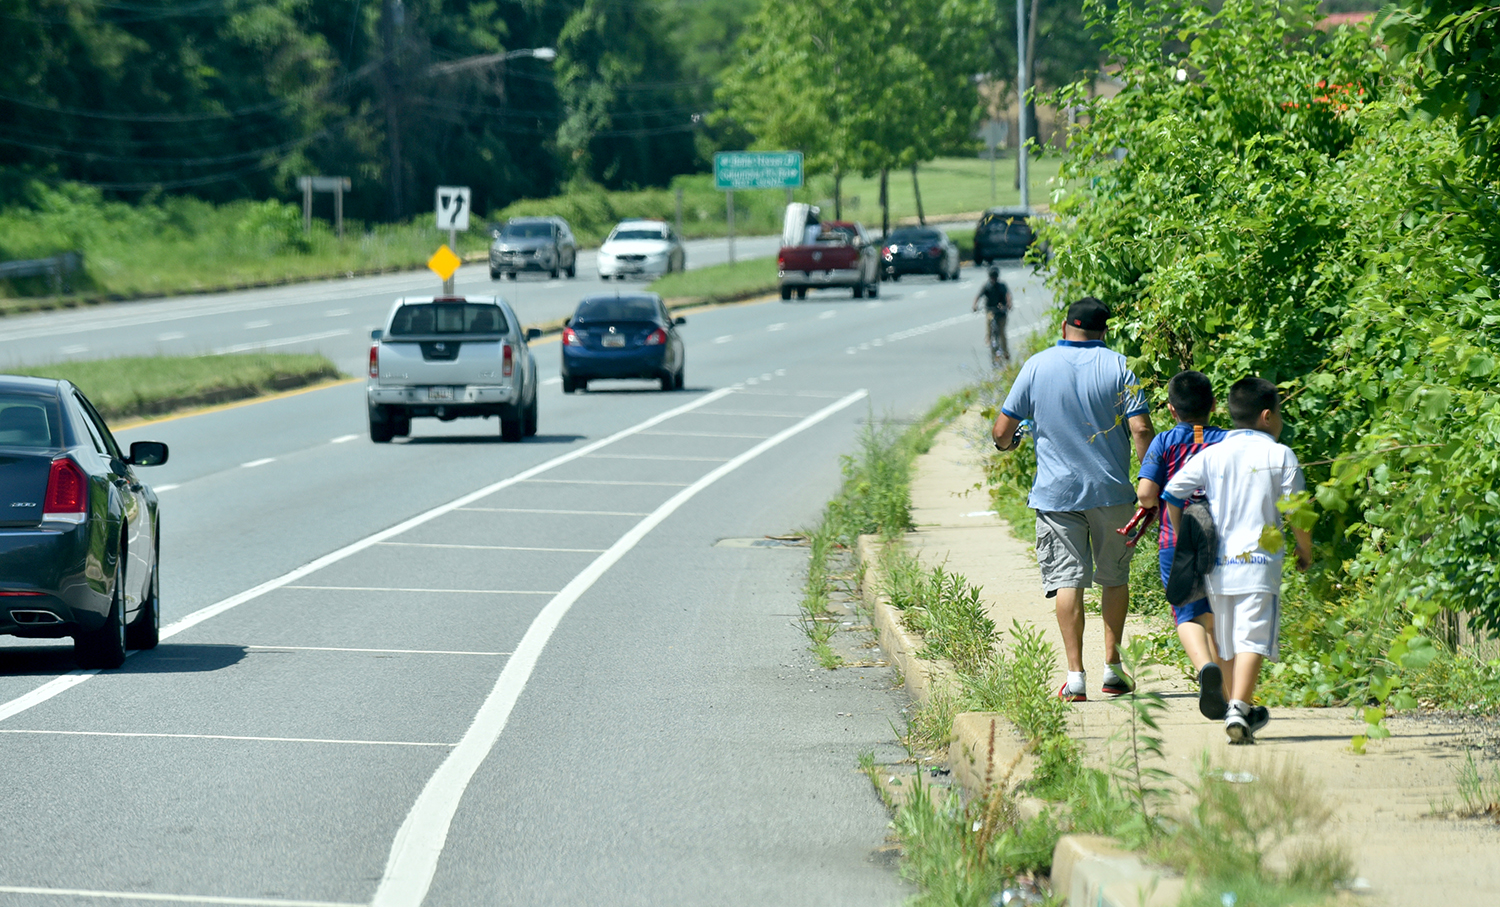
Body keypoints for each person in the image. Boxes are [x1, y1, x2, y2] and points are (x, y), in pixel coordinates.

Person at [991, 297, 1156, 701]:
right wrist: (1149, 482)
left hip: (1057, 496)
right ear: (1105, 331)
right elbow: (1140, 429)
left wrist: (1009, 444)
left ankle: (1075, 676)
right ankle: (1113, 669)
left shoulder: (1036, 366)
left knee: (1068, 581)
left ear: (1065, 327)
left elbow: (1000, 431)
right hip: (1112, 493)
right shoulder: (1120, 367)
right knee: (1114, 579)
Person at [1162, 377, 1312, 743]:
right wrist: (1304, 549)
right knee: (1254, 638)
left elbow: (1173, 492)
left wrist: (1186, 538)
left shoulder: (1213, 453)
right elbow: (1298, 510)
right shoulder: (1280, 455)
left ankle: (1236, 705)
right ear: (1266, 416)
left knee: (1226, 640)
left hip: (1218, 566)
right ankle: (1239, 708)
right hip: (1260, 563)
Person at [1134, 370, 1231, 720]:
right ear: (1214, 406)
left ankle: (1205, 667)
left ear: (1172, 411)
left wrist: (1152, 504)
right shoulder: (1228, 441)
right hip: (1224, 541)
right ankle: (1231, 696)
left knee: (1188, 613)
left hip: (1177, 541)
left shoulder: (1164, 442)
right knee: (1219, 615)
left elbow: (1146, 494)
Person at [972, 266, 1012, 364]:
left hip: (1001, 312)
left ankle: (1005, 352)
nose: (993, 279)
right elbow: (978, 296)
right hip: (991, 310)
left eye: (995, 277)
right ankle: (989, 339)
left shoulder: (1002, 286)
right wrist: (975, 305)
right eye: (992, 277)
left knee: (1002, 333)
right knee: (990, 323)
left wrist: (1008, 304)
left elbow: (1008, 296)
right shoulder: (987, 286)